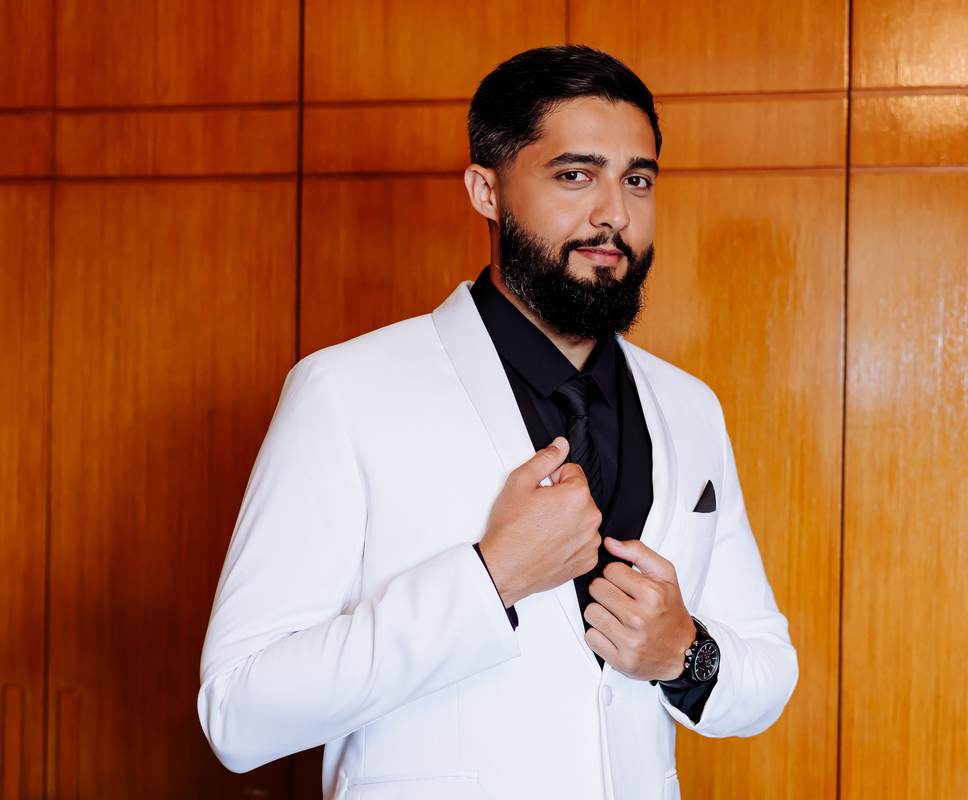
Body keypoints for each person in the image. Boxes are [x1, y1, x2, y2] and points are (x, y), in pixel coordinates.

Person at [198, 45, 797, 800]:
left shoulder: (689, 406)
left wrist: (686, 655)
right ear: (487, 191)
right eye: (575, 175)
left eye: (637, 180)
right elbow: (239, 709)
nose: (614, 213)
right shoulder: (342, 392)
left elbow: (767, 667)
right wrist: (491, 579)